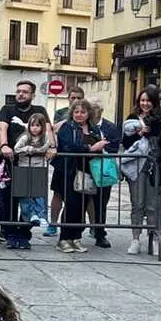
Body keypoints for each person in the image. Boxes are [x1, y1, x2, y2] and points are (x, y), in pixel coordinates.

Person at [0, 80, 53, 250]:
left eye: (25, 92)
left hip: (33, 165)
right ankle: (10, 234)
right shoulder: (7, 109)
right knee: (8, 200)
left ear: (32, 95)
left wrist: (53, 146)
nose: (20, 94)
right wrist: (4, 145)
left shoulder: (39, 111)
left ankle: (24, 234)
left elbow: (48, 129)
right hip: (11, 163)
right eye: (18, 91)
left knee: (32, 200)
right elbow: (2, 128)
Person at [53, 100, 106, 253]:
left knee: (83, 205)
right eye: (76, 112)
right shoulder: (67, 127)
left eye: (82, 112)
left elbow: (99, 146)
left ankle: (76, 237)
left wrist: (99, 147)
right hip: (70, 171)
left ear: (88, 113)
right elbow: (68, 145)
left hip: (88, 171)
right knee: (71, 205)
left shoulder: (94, 129)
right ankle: (64, 238)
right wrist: (90, 148)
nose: (79, 115)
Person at [122, 88, 161, 255]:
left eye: (148, 100)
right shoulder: (132, 119)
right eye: (142, 100)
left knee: (152, 205)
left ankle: (155, 239)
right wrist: (138, 134)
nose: (145, 103)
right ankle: (135, 239)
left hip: (153, 166)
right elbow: (125, 142)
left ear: (154, 102)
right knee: (137, 203)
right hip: (135, 166)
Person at [46, 87, 87, 236]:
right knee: (57, 193)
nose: (75, 100)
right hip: (62, 162)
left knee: (83, 195)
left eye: (79, 98)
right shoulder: (61, 113)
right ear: (68, 98)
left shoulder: (86, 113)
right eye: (73, 97)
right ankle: (53, 224)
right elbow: (55, 129)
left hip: (80, 165)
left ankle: (90, 226)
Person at [88, 99, 120, 250]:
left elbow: (115, 146)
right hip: (86, 167)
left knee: (102, 202)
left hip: (104, 167)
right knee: (82, 200)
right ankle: (74, 232)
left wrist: (100, 147)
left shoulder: (110, 127)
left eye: (96, 108)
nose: (93, 111)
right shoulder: (84, 126)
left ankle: (100, 233)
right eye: (91, 108)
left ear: (101, 110)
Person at [13, 112, 51, 230]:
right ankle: (30, 214)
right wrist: (26, 149)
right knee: (25, 193)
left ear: (42, 127)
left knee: (39, 193)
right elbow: (17, 148)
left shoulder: (45, 137)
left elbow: (46, 146)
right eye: (32, 125)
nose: (34, 128)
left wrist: (34, 150)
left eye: (38, 125)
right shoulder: (25, 137)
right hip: (24, 166)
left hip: (39, 167)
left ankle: (42, 215)